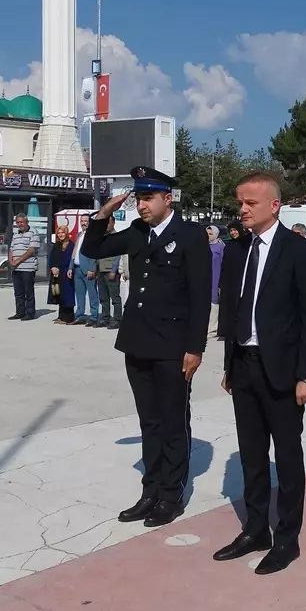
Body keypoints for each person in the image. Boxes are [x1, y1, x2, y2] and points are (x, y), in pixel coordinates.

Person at [81, 166, 212, 528]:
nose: (142, 205)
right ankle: (150, 491)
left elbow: (200, 297)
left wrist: (194, 348)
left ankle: (171, 495)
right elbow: (93, 248)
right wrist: (103, 213)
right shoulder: (137, 232)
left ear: (167, 199)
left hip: (173, 346)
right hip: (138, 341)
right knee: (149, 422)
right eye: (138, 198)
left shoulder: (190, 235)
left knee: (172, 422)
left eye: (148, 198)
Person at [213, 172, 306, 575]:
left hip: (283, 370)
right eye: (240, 202)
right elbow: (233, 309)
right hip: (244, 364)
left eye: (250, 203)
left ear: (274, 205)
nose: (242, 209)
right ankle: (255, 529)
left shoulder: (298, 251)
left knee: (288, 457)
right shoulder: (238, 249)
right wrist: (229, 363)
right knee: (253, 455)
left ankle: (286, 539)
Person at [7, 213, 40, 321]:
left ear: (27, 222)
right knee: (18, 292)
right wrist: (11, 260)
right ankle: (20, 312)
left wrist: (18, 260)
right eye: (17, 222)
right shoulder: (15, 234)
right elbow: (12, 248)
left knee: (28, 291)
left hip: (28, 267)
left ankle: (30, 313)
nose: (19, 224)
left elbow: (31, 250)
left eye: (21, 222)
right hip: (16, 268)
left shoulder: (33, 232)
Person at [71, 213, 101, 327]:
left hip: (88, 269)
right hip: (77, 269)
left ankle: (94, 317)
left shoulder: (93, 235)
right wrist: (70, 267)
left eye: (86, 221)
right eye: (82, 221)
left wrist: (92, 268)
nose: (84, 223)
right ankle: (80, 316)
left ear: (90, 222)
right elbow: (74, 251)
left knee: (92, 294)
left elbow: (95, 253)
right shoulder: (78, 235)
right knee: (79, 295)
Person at [96, 217, 124, 329]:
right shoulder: (103, 237)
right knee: (103, 297)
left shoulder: (116, 237)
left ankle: (117, 319)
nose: (106, 225)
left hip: (111, 272)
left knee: (115, 298)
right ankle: (105, 318)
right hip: (101, 271)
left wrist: (114, 270)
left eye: (108, 223)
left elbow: (118, 255)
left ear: (113, 223)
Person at [47, 224, 76, 324]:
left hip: (65, 273)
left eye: (62, 232)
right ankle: (61, 316)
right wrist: (53, 267)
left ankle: (68, 317)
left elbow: (70, 259)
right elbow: (52, 258)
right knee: (59, 294)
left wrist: (63, 269)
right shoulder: (57, 245)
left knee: (67, 295)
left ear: (66, 233)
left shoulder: (70, 245)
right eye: (59, 233)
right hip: (56, 274)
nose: (60, 235)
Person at [207, 224, 225, 337]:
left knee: (214, 302)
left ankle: (213, 329)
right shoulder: (202, 245)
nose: (208, 236)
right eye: (207, 234)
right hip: (205, 277)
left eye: (210, 234)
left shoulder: (220, 247)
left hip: (216, 276)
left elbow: (225, 263)